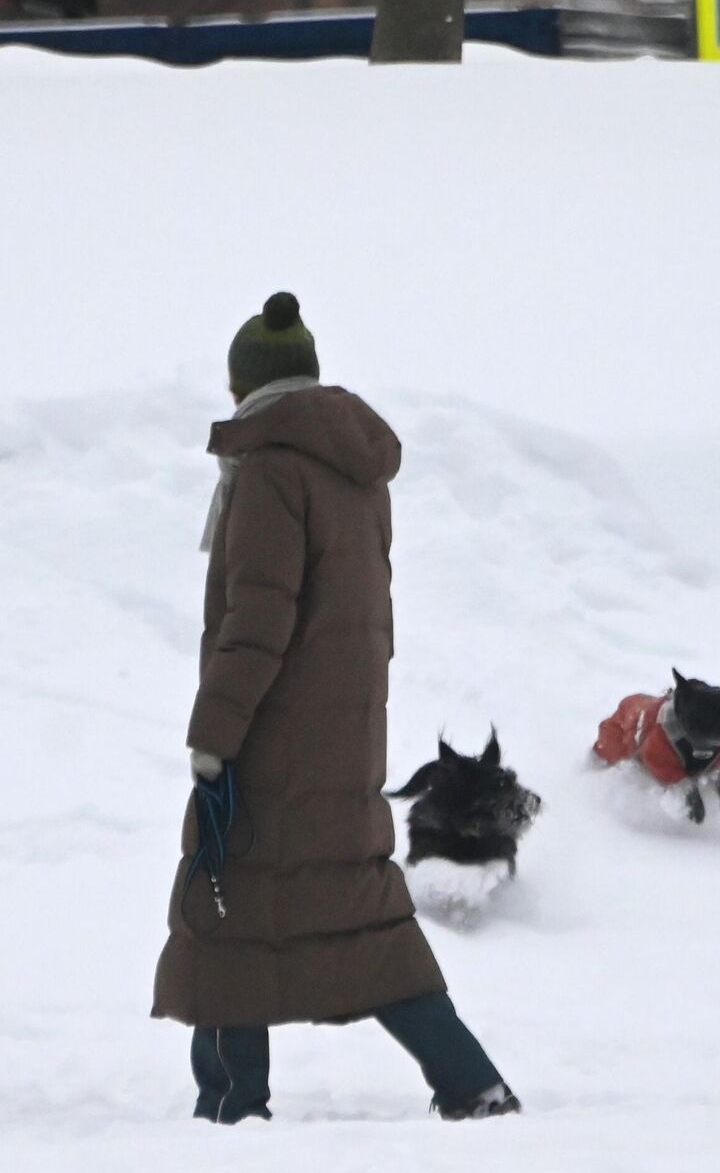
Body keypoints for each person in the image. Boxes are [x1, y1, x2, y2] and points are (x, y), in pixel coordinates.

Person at [152, 292, 519, 1124]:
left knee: (226, 909)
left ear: (247, 384)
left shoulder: (271, 469)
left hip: (274, 741)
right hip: (345, 741)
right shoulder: (352, 473)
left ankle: (232, 1107)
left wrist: (214, 737)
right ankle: (469, 1080)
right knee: (361, 919)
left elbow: (258, 621)